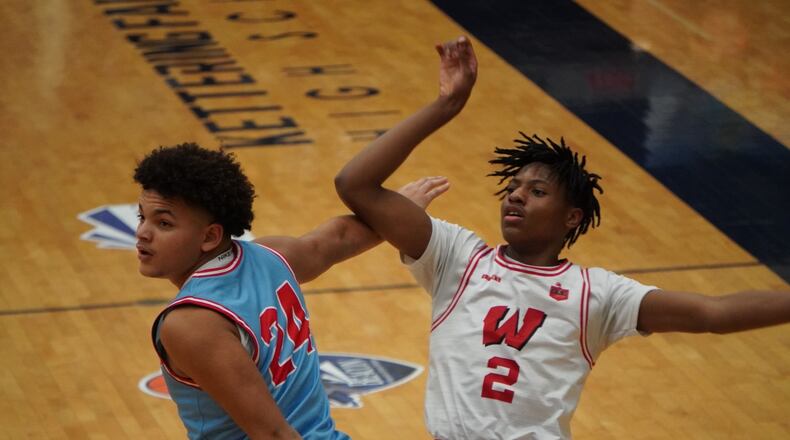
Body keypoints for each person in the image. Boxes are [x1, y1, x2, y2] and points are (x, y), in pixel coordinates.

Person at [334, 36, 790, 439]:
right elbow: (355, 183)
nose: (515, 198)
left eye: (536, 192)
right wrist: (446, 106)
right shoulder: (457, 257)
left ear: (572, 217)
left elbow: (715, 312)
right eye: (511, 189)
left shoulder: (598, 294)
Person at [133, 143, 447, 439]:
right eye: (142, 217)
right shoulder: (271, 256)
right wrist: (397, 211)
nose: (142, 233)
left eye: (163, 224)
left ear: (210, 236)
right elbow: (337, 239)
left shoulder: (191, 323)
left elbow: (273, 435)